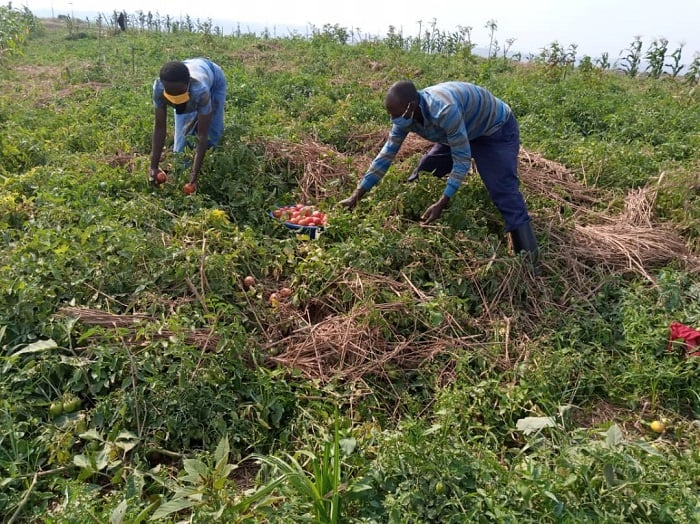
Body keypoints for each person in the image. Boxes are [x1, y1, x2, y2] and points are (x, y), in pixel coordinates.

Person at [340, 80, 540, 272]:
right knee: (426, 171)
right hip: (460, 129)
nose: (394, 120)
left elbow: (462, 160)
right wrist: (357, 195)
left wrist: (442, 201)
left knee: (502, 190)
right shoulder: (405, 117)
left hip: (494, 130)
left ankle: (530, 262)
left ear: (411, 107)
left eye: (395, 113)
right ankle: (410, 220)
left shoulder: (444, 110)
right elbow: (386, 155)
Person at [149, 58, 226, 191]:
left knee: (213, 137)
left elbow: (202, 135)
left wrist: (193, 178)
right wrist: (153, 167)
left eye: (179, 92)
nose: (174, 95)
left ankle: (211, 171)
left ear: (188, 84)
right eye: (170, 92)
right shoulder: (159, 88)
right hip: (188, 71)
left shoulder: (200, 91)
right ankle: (181, 175)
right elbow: (160, 127)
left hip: (213, 78)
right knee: (181, 145)